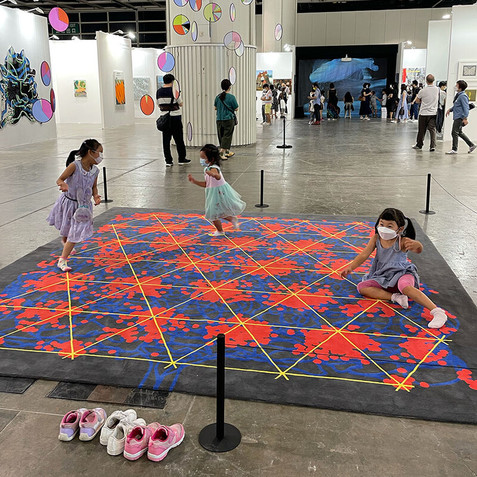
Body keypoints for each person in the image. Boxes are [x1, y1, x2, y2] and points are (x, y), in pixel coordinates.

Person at [340, 208, 448, 329]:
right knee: (362, 287)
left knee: (405, 287)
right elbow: (364, 254)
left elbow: (418, 249)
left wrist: (418, 245)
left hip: (402, 274)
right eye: (382, 224)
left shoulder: (402, 241)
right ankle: (396, 297)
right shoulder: (376, 238)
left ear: (400, 229)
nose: (384, 228)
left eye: (390, 226)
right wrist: (350, 267)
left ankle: (437, 312)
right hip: (383, 276)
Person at [47, 139, 102, 272]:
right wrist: (63, 184)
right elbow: (60, 179)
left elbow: (94, 186)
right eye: (99, 152)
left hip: (83, 208)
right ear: (90, 152)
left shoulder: (95, 171)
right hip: (69, 203)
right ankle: (63, 257)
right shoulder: (74, 166)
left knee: (75, 232)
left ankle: (64, 254)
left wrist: (95, 195)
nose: (101, 156)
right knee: (69, 229)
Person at [187, 144, 246, 236]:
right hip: (213, 192)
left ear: (211, 158)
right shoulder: (207, 168)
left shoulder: (213, 168)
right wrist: (194, 181)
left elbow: (218, 176)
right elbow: (207, 184)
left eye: (203, 158)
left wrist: (214, 174)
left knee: (213, 214)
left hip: (217, 192)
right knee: (217, 212)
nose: (201, 160)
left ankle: (220, 231)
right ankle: (231, 219)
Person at [156, 73, 190, 167]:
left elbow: (158, 104)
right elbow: (181, 103)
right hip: (175, 117)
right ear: (172, 81)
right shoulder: (174, 91)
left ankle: (168, 161)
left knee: (166, 141)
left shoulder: (158, 92)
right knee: (179, 139)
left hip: (164, 118)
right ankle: (181, 159)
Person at [445, 80, 477, 155]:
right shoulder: (459, 95)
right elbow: (457, 106)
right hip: (457, 116)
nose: (455, 86)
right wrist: (450, 109)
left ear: (460, 87)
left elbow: (466, 108)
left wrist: (465, 118)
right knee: (459, 132)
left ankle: (454, 149)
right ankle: (471, 145)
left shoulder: (463, 96)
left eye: (456, 85)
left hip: (460, 117)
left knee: (454, 132)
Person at [412, 74, 439, 152]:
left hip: (423, 113)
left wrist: (422, 101)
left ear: (426, 81)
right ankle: (432, 146)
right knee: (432, 130)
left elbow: (417, 100)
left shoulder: (422, 90)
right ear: (433, 80)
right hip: (433, 113)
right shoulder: (437, 90)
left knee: (422, 130)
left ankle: (419, 144)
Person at [214, 78, 238, 161]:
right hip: (228, 119)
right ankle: (221, 153)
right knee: (227, 136)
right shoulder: (231, 97)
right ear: (229, 87)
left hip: (219, 119)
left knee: (221, 135)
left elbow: (215, 108)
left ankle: (227, 151)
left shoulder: (217, 97)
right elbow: (236, 108)